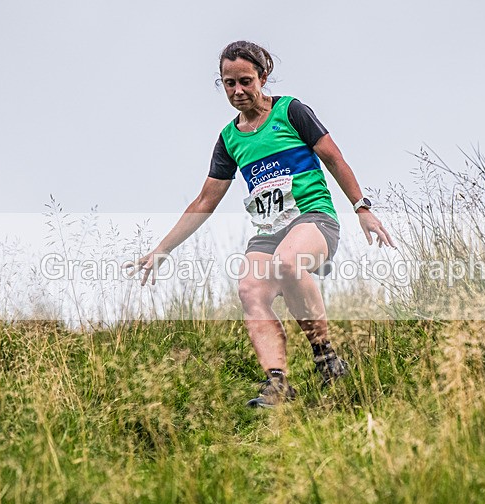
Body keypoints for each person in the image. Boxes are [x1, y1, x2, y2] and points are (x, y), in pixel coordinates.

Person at [124, 41, 394, 407]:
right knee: (250, 289)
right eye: (229, 83)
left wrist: (362, 208)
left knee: (288, 261)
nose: (238, 91)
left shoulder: (290, 111)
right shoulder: (229, 139)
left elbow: (333, 157)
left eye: (245, 81)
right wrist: (161, 250)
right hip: (269, 231)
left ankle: (326, 358)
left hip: (314, 219)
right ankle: (278, 383)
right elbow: (205, 201)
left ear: (262, 78)